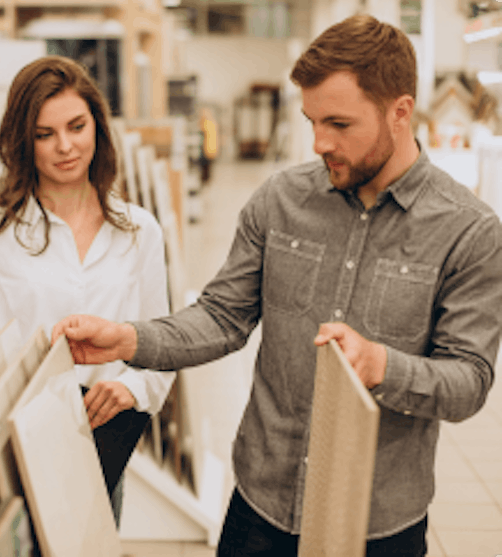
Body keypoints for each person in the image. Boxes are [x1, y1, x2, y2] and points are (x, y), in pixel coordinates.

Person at [52, 14, 502, 557]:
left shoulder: (469, 231)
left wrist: (381, 365)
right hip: (260, 509)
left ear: (399, 112)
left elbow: (468, 380)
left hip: (376, 523)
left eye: (339, 124)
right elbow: (223, 316)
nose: (318, 142)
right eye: (312, 121)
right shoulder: (280, 200)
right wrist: (128, 339)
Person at [0, 55, 174, 525]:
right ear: (24, 141)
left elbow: (161, 348)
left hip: (101, 446)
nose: (65, 146)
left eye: (76, 126)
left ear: (97, 128)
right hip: (15, 447)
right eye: (45, 134)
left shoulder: (139, 231)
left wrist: (130, 387)